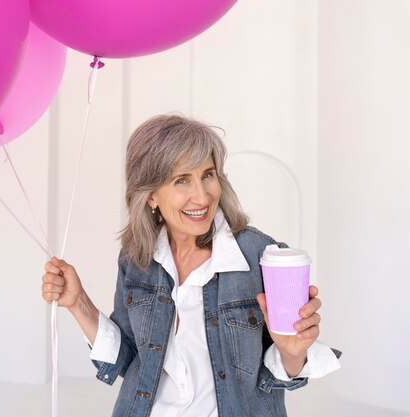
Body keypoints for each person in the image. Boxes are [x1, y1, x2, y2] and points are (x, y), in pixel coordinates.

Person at [41, 115, 341, 417]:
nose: (202, 195)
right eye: (181, 180)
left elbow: (280, 372)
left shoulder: (260, 255)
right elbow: (130, 360)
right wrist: (78, 303)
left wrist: (294, 354)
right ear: (151, 195)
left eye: (207, 175)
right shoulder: (136, 258)